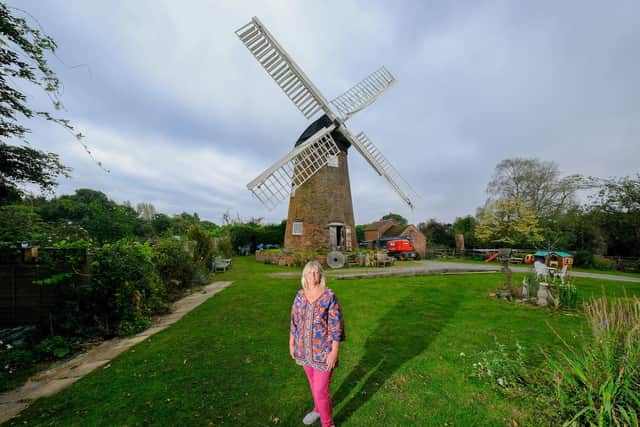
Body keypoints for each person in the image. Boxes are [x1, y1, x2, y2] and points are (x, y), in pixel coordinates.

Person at [290, 261, 345, 427]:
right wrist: (291, 343)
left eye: (315, 272)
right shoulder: (300, 295)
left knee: (321, 390)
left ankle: (328, 424)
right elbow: (294, 321)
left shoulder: (329, 295)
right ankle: (317, 409)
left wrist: (334, 351)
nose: (312, 275)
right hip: (303, 349)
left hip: (323, 352)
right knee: (314, 386)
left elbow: (336, 325)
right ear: (304, 275)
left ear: (320, 275)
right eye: (309, 272)